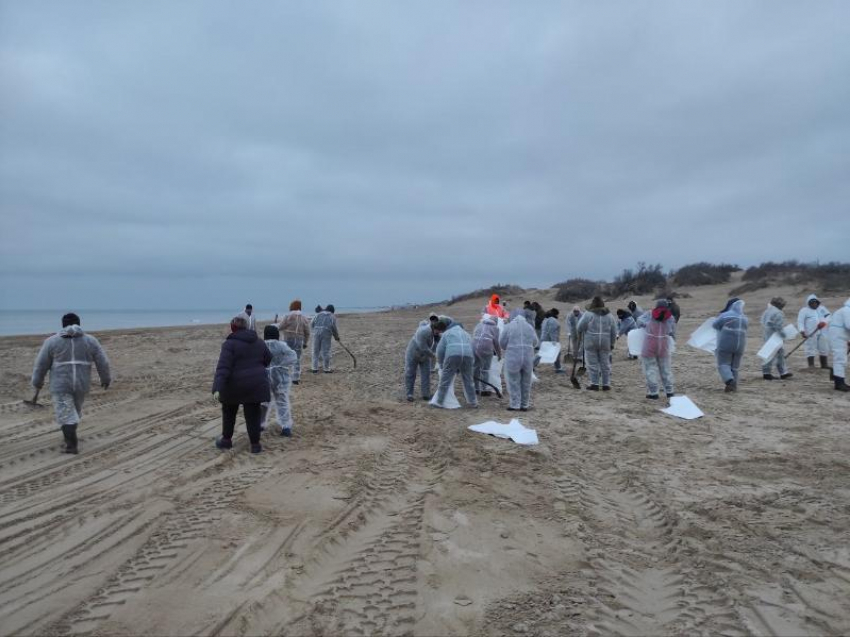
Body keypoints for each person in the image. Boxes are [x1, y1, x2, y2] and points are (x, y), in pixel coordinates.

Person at [31, 313, 111, 454]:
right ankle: (70, 436)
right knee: (74, 411)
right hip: (82, 383)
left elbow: (41, 364)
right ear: (79, 323)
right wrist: (105, 378)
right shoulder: (90, 341)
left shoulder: (52, 341)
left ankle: (71, 445)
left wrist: (37, 381)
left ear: (62, 324)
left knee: (66, 413)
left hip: (61, 383)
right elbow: (102, 361)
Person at [212, 316, 272, 453]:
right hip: (255, 385)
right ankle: (255, 445)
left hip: (233, 385)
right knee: (253, 415)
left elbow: (223, 368)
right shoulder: (259, 342)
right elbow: (268, 358)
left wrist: (217, 388)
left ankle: (226, 441)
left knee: (229, 412)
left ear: (233, 328)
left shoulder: (229, 344)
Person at [259, 325, 298, 436]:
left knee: (263, 402)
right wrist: (281, 364)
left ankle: (260, 424)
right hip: (281, 378)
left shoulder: (261, 345)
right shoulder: (281, 345)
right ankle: (286, 427)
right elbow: (293, 356)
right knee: (282, 401)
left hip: (264, 377)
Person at [499, 310, 539, 410]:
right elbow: (535, 342)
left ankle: (515, 404)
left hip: (513, 357)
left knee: (513, 381)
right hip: (528, 357)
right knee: (526, 381)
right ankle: (524, 404)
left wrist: (509, 347)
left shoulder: (508, 327)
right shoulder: (529, 327)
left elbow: (502, 343)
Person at [434, 321, 477, 408]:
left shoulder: (447, 333)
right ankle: (473, 402)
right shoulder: (466, 334)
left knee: (445, 379)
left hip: (452, 355)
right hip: (468, 356)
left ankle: (439, 401)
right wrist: (470, 365)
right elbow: (472, 348)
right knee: (468, 380)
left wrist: (442, 365)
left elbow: (440, 350)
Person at [577, 297, 616, 390]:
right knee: (605, 363)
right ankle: (606, 384)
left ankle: (594, 384)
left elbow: (579, 327)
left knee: (592, 363)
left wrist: (581, 333)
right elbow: (613, 331)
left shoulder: (588, 314)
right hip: (605, 342)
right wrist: (612, 343)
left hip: (590, 342)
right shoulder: (609, 316)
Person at [639, 300, 676, 399]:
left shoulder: (650, 314)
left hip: (650, 343)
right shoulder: (670, 317)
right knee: (665, 368)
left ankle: (653, 392)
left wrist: (646, 326)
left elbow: (639, 321)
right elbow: (672, 331)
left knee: (650, 368)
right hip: (664, 343)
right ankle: (669, 391)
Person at [713, 299, 748, 393]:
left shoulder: (725, 315)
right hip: (740, 345)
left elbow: (715, 325)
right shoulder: (744, 318)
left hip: (726, 343)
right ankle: (734, 386)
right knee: (735, 367)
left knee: (723, 364)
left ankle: (729, 380)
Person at [405, 320, 443, 402]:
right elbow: (423, 347)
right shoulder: (423, 332)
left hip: (426, 356)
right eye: (438, 330)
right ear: (434, 328)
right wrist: (433, 356)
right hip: (413, 353)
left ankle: (426, 394)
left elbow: (439, 346)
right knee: (410, 373)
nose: (439, 332)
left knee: (426, 374)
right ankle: (409, 394)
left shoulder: (437, 334)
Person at [278, 299, 311, 384]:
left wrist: (275, 327)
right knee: (297, 358)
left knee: (286, 356)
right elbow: (307, 332)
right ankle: (295, 378)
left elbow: (280, 326)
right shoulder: (304, 317)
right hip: (299, 339)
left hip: (288, 338)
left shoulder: (288, 316)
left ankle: (284, 375)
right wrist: (305, 342)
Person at [761, 297, 793, 381]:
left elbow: (762, 321)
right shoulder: (778, 312)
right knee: (779, 354)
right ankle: (782, 373)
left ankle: (767, 372)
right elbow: (778, 326)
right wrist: (784, 335)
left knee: (768, 353)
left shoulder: (767, 311)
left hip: (767, 334)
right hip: (775, 335)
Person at [797, 294, 831, 370]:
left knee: (824, 347)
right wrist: (802, 331)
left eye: (815, 303)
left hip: (823, 332)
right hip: (811, 332)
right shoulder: (804, 311)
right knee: (810, 347)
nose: (814, 304)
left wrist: (824, 322)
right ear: (808, 303)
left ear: (818, 302)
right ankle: (811, 365)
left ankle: (824, 365)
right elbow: (800, 321)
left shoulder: (822, 309)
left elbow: (829, 317)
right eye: (812, 303)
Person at [473, 314, 502, 395]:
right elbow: (496, 343)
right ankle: (484, 390)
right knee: (485, 370)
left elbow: (474, 335)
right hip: (486, 348)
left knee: (475, 367)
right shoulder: (495, 328)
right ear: (496, 322)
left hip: (474, 346)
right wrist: (499, 354)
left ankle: (475, 388)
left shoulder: (479, 324)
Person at [826, 298, 850, 392]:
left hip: (840, 336)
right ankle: (839, 383)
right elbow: (849, 325)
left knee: (841, 359)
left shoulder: (845, 310)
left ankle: (839, 381)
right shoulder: (847, 310)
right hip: (838, 337)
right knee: (840, 359)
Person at [311, 304, 340, 373]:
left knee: (315, 351)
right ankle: (326, 369)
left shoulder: (318, 314)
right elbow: (334, 328)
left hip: (316, 333)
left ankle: (314, 368)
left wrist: (315, 330)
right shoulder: (332, 316)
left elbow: (312, 323)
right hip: (326, 334)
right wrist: (336, 337)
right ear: (332, 311)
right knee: (326, 351)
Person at [539, 309, 564, 373]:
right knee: (557, 353)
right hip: (549, 340)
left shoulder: (545, 320)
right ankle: (558, 368)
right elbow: (552, 332)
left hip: (544, 339)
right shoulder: (553, 321)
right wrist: (554, 342)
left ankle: (531, 366)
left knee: (541, 354)